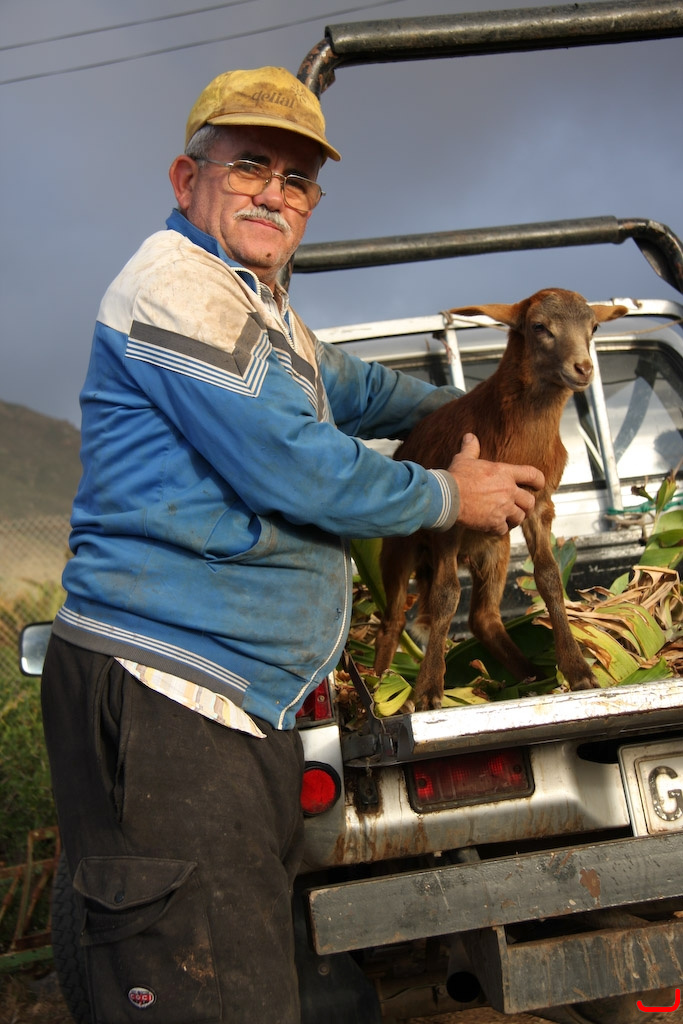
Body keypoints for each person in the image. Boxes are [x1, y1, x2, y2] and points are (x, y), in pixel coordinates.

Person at [41, 66, 544, 1024]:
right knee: (207, 993)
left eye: (297, 180)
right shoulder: (176, 287)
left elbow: (356, 390)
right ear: (187, 178)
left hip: (234, 699)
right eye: (249, 166)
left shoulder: (257, 305)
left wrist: (487, 411)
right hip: (168, 692)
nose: (274, 193)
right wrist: (451, 492)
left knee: (250, 973)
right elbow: (296, 465)